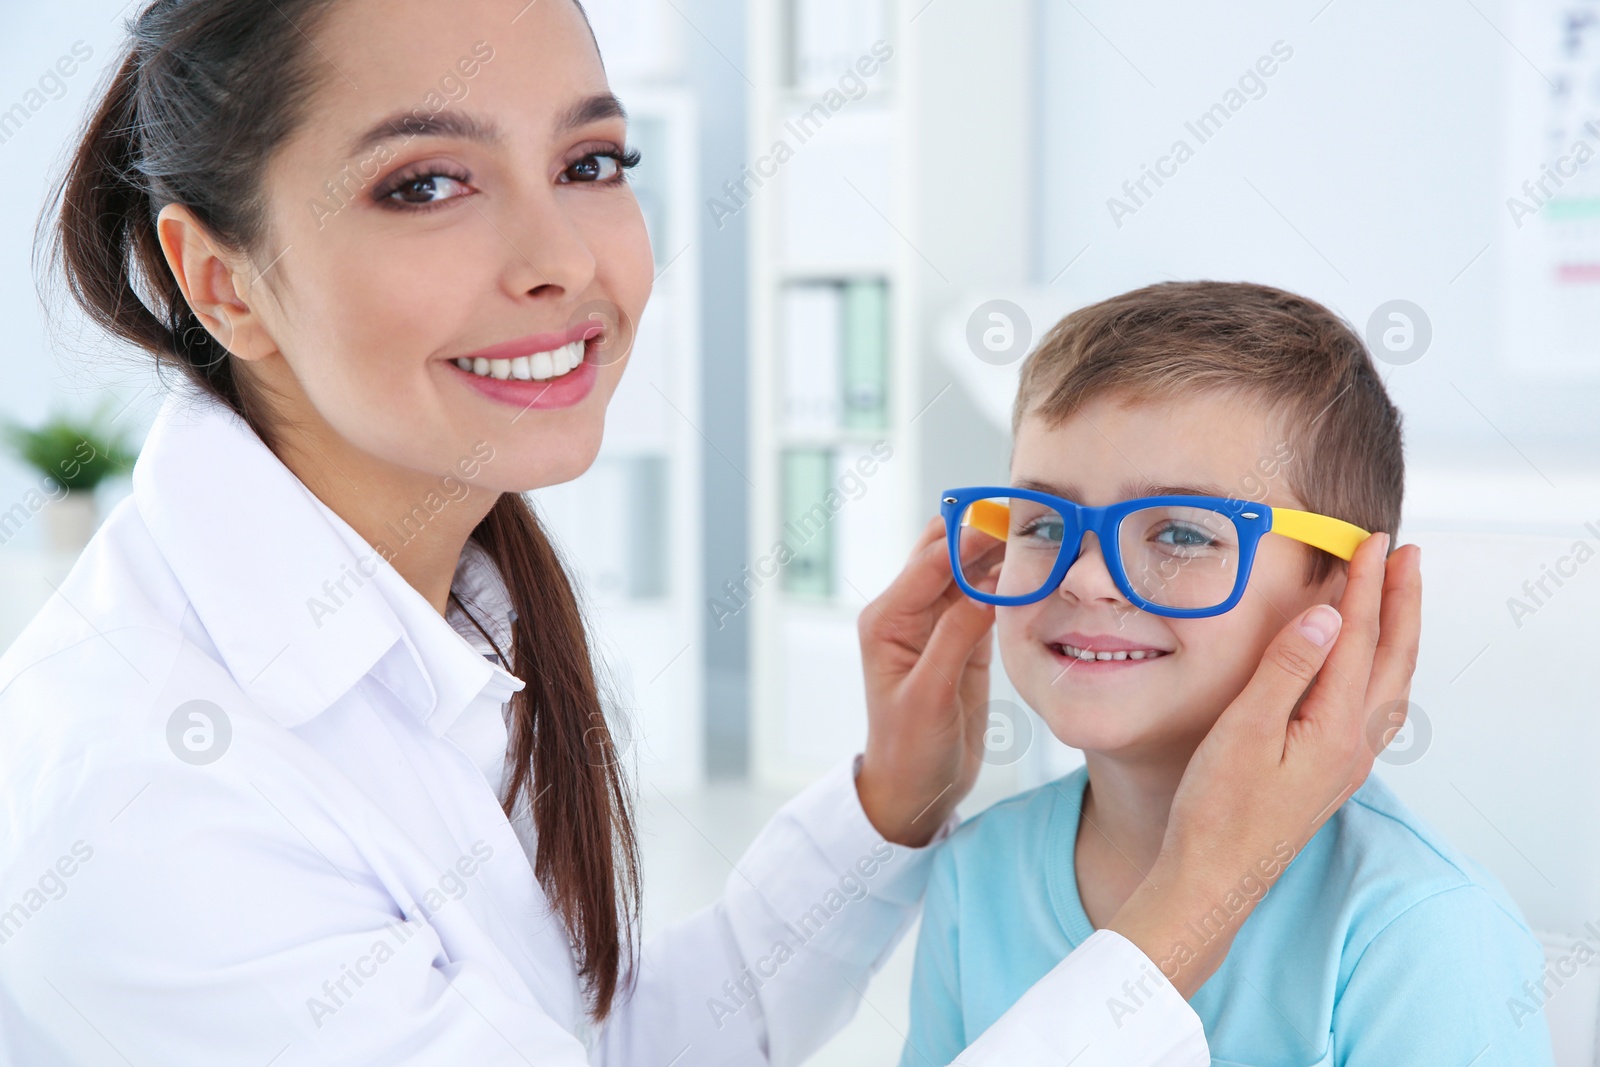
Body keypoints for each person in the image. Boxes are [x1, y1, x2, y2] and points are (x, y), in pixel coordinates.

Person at [0, 2, 1421, 1064]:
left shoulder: (450, 601)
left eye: (593, 160)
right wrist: (1196, 904)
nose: (562, 257)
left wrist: (887, 802)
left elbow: (609, 1041)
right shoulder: (143, 805)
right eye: (425, 182)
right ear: (220, 279)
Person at [900, 282, 1553, 1066]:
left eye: (1179, 532)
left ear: (1352, 589)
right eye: (1043, 523)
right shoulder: (979, 872)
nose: (1088, 579)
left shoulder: (1421, 929)